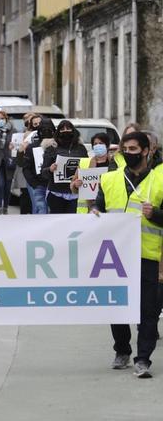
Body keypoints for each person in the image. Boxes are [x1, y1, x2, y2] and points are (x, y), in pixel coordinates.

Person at [92, 131, 163, 378]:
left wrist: (155, 214)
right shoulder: (109, 179)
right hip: (115, 256)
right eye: (126, 149)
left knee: (148, 310)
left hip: (147, 255)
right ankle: (122, 350)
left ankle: (143, 359)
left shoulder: (159, 180)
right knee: (118, 306)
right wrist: (94, 210)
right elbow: (98, 205)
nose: (129, 153)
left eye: (134, 149)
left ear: (146, 151)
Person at [39, 120, 88, 214]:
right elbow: (43, 173)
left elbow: (86, 167)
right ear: (58, 132)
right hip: (56, 193)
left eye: (68, 128)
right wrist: (50, 169)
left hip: (75, 193)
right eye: (62, 129)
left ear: (73, 130)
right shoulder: (51, 148)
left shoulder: (81, 149)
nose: (65, 131)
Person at [71, 133, 118, 213]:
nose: (98, 146)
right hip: (89, 209)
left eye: (101, 143)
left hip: (109, 206)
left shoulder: (115, 163)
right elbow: (73, 185)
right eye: (95, 144)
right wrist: (75, 185)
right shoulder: (84, 163)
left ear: (107, 146)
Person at [22, 117, 55, 214]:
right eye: (43, 129)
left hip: (54, 185)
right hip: (39, 184)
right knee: (41, 209)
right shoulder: (32, 147)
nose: (46, 132)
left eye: (49, 129)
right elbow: (26, 167)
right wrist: (34, 184)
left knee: (52, 211)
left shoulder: (57, 146)